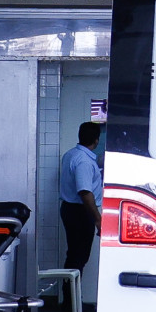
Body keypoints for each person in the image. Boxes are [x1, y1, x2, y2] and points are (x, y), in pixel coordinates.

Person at [58, 121, 104, 285]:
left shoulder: (70, 154)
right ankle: (71, 298)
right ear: (96, 140)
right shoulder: (84, 161)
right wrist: (97, 219)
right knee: (78, 257)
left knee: (74, 256)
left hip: (71, 209)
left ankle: (70, 297)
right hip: (81, 212)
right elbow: (85, 192)